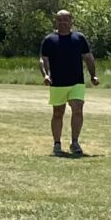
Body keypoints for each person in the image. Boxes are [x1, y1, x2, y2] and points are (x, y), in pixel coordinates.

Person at [39, 9, 97, 157]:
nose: (63, 22)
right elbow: (43, 59)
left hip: (76, 81)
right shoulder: (49, 40)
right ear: (56, 21)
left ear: (71, 21)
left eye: (66, 19)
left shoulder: (79, 38)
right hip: (57, 82)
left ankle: (75, 142)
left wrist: (93, 76)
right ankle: (57, 144)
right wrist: (45, 75)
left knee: (77, 109)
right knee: (58, 113)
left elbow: (88, 57)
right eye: (60, 19)